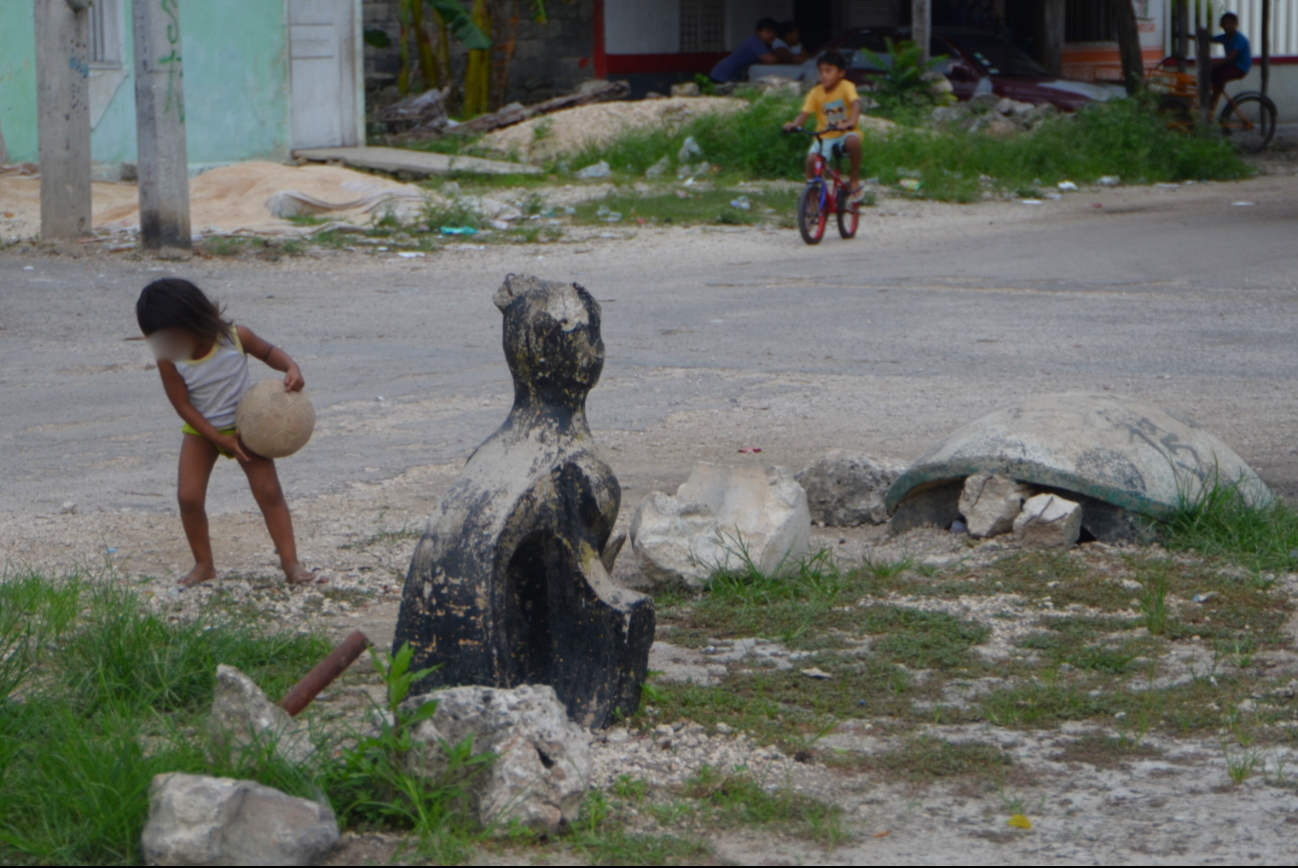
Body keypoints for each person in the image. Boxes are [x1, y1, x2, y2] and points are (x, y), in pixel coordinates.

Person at [136, 278, 315, 587]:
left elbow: (270, 352)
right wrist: (217, 438)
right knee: (188, 497)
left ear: (196, 318)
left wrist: (292, 367)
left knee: (269, 493)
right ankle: (204, 565)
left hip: (249, 429)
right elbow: (183, 405)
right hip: (202, 430)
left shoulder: (235, 337)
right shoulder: (168, 358)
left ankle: (292, 566)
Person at [782, 50, 864, 200]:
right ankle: (812, 196)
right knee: (811, 160)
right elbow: (804, 114)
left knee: (853, 141)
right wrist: (793, 125)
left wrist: (850, 122)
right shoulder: (816, 93)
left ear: (841, 73)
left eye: (829, 71)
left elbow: (856, 104)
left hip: (844, 134)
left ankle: (854, 179)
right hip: (824, 135)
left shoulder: (846, 86)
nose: (824, 75)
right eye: (821, 71)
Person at [710, 17, 780, 83]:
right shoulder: (755, 42)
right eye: (768, 32)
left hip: (731, 75)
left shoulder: (763, 44)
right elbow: (770, 60)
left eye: (774, 32)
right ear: (759, 32)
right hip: (723, 75)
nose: (771, 35)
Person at [1211, 12, 1251, 111]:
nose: (1227, 26)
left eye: (1230, 24)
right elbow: (1210, 39)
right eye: (1225, 24)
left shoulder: (1239, 39)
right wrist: (1189, 36)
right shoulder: (1224, 37)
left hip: (1240, 68)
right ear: (1222, 26)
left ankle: (1211, 102)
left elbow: (1231, 57)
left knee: (1219, 76)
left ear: (1236, 24)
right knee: (1211, 73)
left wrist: (1217, 63)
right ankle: (1212, 97)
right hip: (1231, 66)